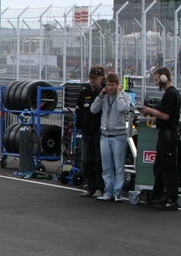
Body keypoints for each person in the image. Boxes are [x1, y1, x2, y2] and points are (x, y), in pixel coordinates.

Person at [140, 66, 181, 211]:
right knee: (159, 166)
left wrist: (150, 110)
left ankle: (172, 199)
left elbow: (165, 115)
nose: (156, 83)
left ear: (164, 78)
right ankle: (157, 196)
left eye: (157, 80)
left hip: (168, 133)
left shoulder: (171, 94)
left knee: (168, 167)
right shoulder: (170, 93)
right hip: (165, 134)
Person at [90, 73, 132, 202]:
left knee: (118, 166)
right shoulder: (104, 97)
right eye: (108, 85)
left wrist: (119, 94)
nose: (110, 87)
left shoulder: (125, 96)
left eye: (112, 85)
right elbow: (93, 109)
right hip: (105, 135)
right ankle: (108, 191)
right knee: (106, 166)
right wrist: (100, 95)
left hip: (119, 135)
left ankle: (117, 192)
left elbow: (122, 108)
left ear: (118, 85)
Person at [75, 66, 106, 198]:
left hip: (99, 131)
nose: (92, 80)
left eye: (95, 78)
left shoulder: (104, 93)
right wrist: (79, 125)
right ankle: (90, 186)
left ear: (101, 78)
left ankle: (100, 187)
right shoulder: (84, 93)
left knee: (99, 160)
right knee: (88, 160)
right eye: (91, 78)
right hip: (87, 131)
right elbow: (78, 111)